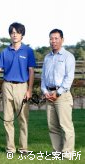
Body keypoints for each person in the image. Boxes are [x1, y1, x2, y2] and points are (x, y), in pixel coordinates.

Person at [0, 22, 36, 155]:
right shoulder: (5, 52)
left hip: (22, 87)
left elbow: (31, 71)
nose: (15, 35)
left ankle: (23, 149)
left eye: (17, 32)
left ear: (22, 34)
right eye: (12, 32)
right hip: (7, 86)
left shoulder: (28, 51)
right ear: (10, 35)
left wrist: (29, 90)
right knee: (7, 119)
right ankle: (10, 149)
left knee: (23, 119)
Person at [41, 29, 75, 159]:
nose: (53, 41)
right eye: (51, 38)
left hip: (62, 96)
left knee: (66, 126)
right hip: (49, 95)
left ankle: (67, 155)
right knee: (53, 127)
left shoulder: (68, 57)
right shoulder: (47, 57)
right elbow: (43, 77)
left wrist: (58, 93)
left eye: (56, 38)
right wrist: (45, 92)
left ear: (62, 39)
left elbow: (69, 78)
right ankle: (57, 152)